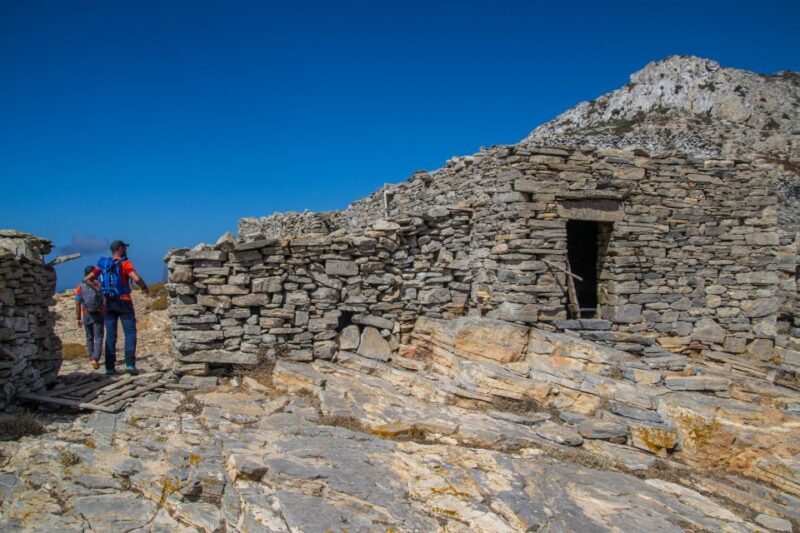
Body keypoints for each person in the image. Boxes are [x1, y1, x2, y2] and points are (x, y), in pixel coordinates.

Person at [84, 240, 148, 375]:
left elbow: (87, 279)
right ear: (120, 248)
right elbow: (136, 278)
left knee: (111, 335)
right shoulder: (125, 263)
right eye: (124, 247)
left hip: (108, 302)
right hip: (124, 301)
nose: (126, 250)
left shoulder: (103, 264)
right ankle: (129, 365)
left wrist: (99, 290)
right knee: (130, 333)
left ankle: (110, 368)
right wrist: (144, 287)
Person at [75, 265, 104, 370]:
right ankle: (95, 358)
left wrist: (78, 318)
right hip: (98, 312)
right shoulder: (99, 285)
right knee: (98, 337)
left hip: (86, 313)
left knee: (89, 337)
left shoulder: (79, 286)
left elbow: (77, 302)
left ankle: (91, 358)